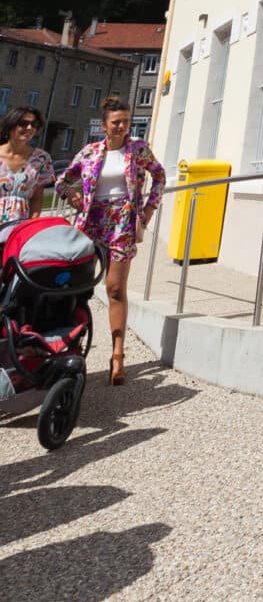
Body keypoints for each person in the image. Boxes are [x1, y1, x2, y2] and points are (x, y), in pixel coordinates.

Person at [57, 95, 165, 386]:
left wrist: (148, 210)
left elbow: (159, 176)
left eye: (126, 122)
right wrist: (72, 194)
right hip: (91, 221)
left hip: (123, 223)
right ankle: (69, 347)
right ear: (104, 125)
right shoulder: (90, 152)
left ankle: (117, 355)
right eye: (116, 122)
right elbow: (62, 180)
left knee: (115, 288)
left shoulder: (138, 150)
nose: (122, 127)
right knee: (77, 286)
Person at [0, 106, 54, 229]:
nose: (29, 128)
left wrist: (30, 228)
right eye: (24, 123)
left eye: (34, 124)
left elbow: (37, 200)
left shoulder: (41, 159)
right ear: (10, 125)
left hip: (18, 231)